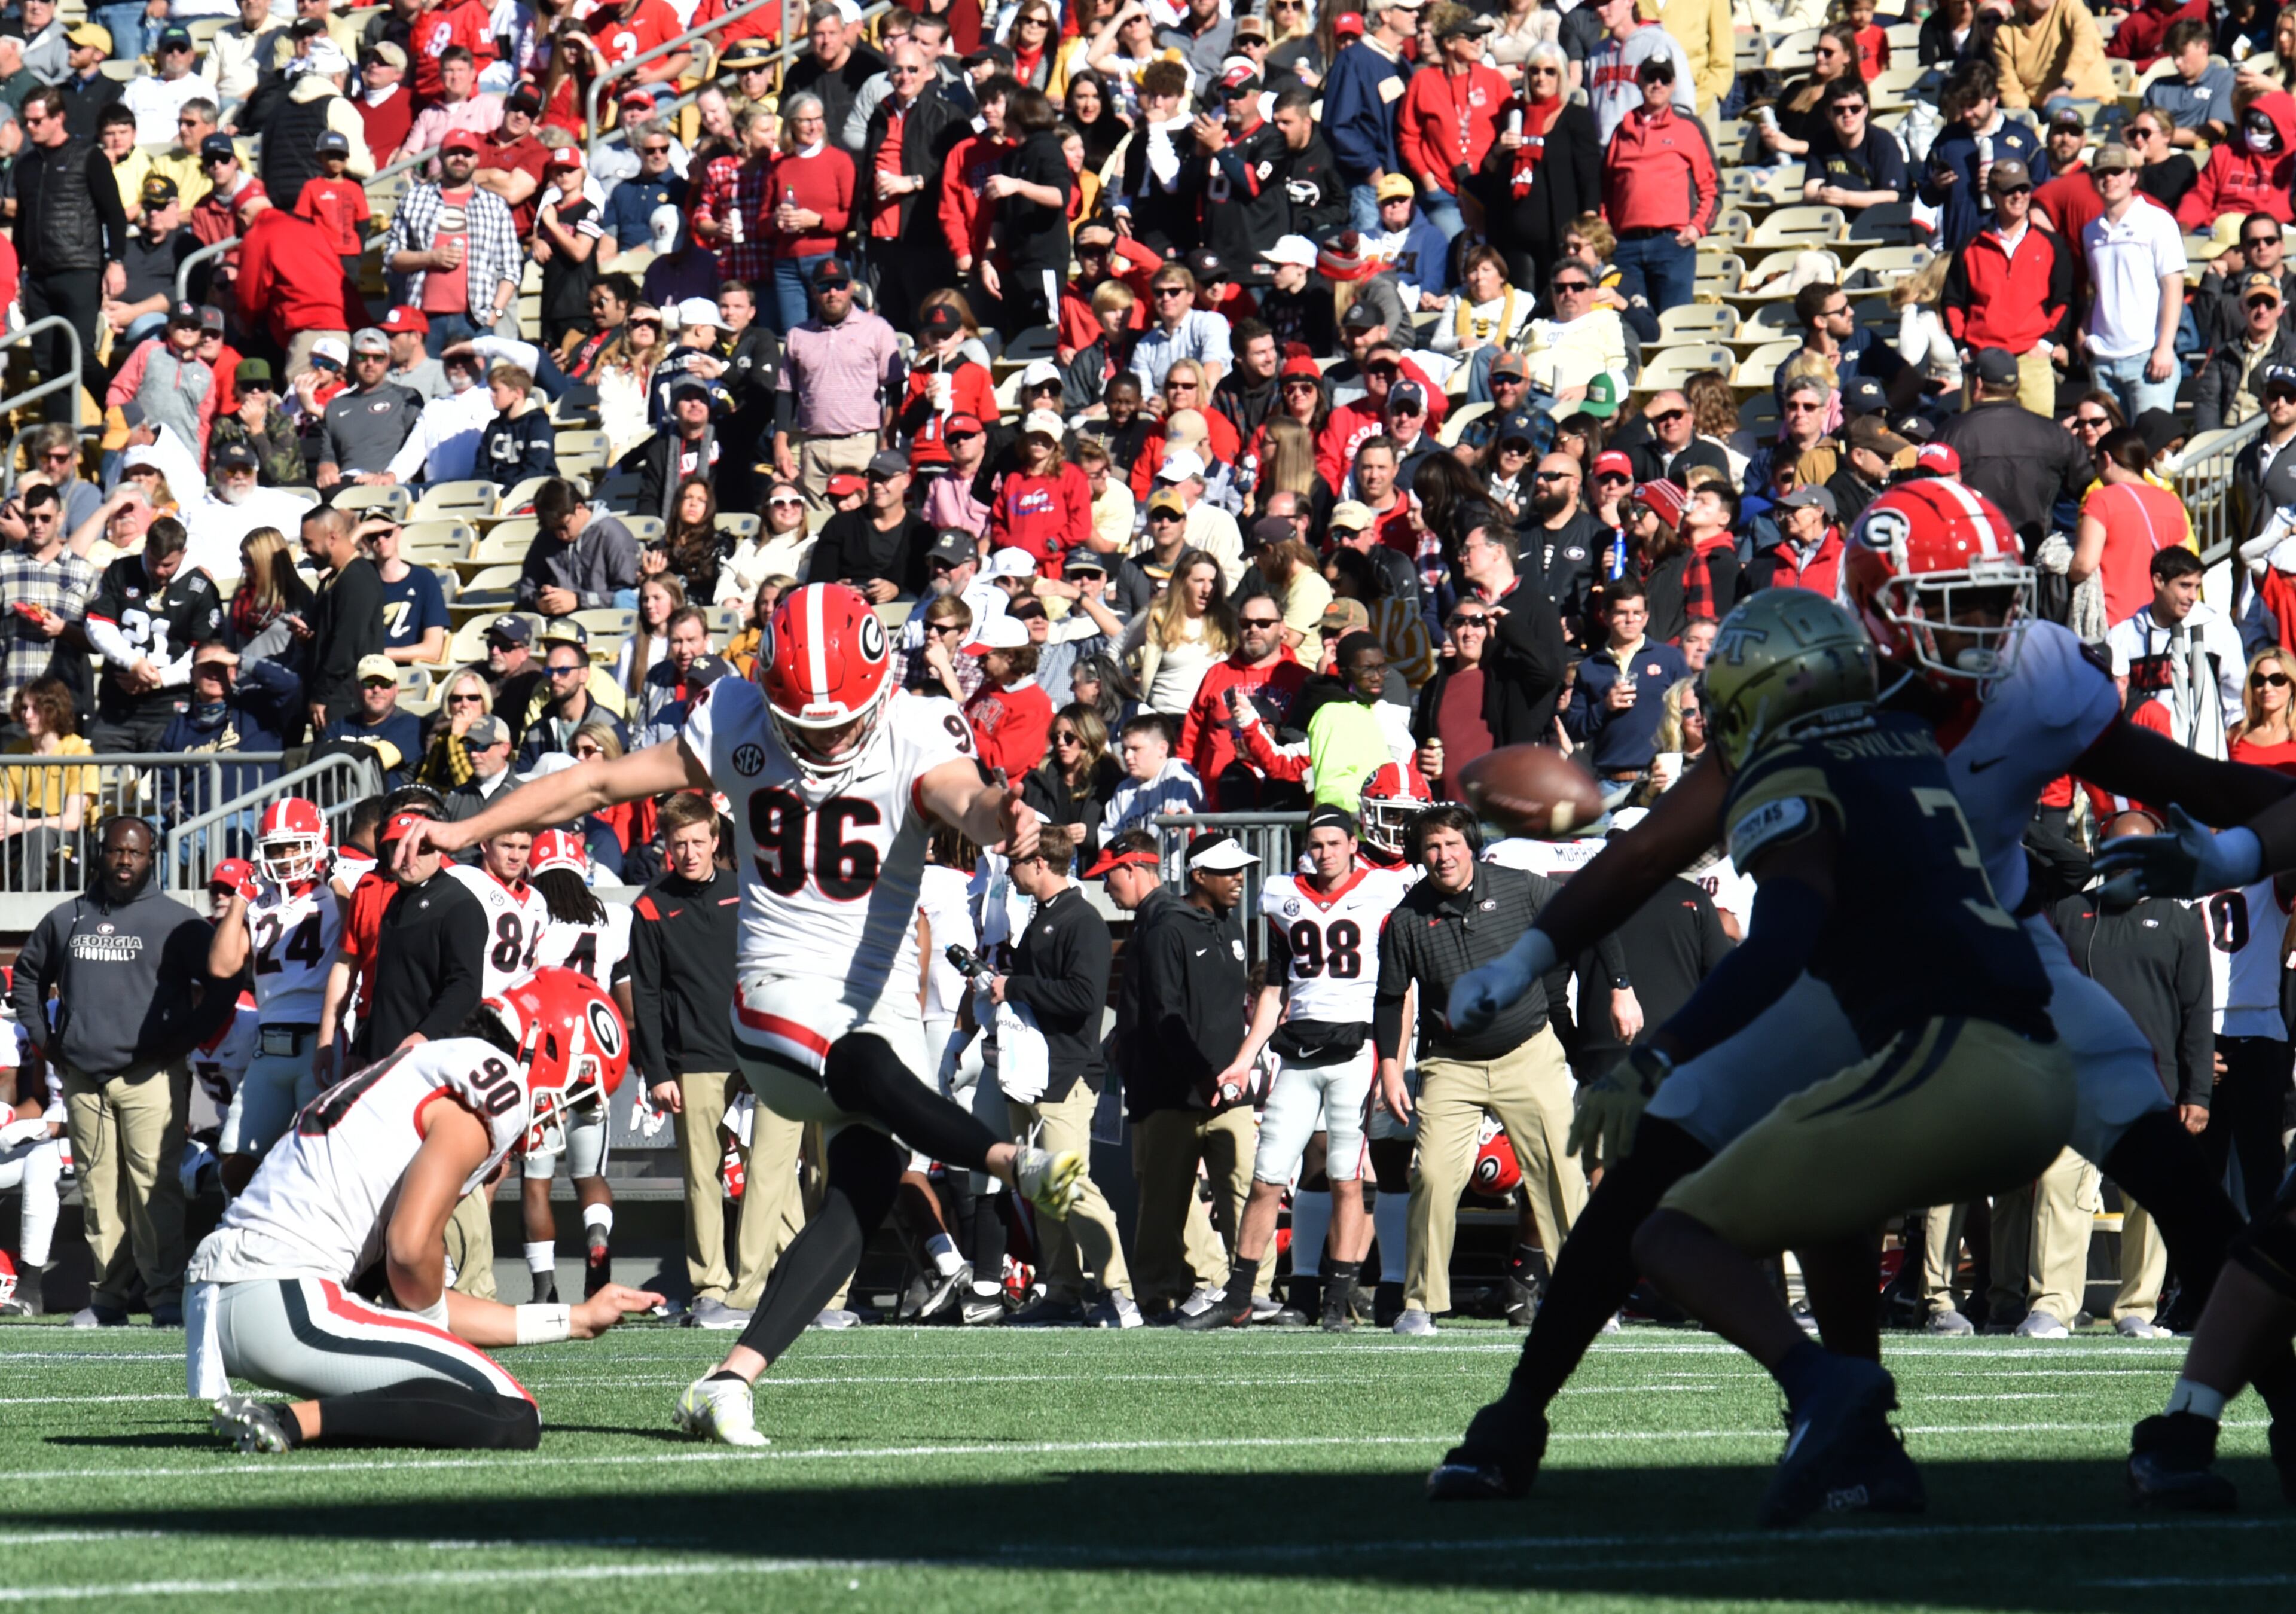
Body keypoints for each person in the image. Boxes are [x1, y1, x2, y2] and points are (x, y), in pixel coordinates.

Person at [1434, 477, 2284, 1506]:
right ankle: (1519, 1416)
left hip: (1994, 949)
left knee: (2167, 1161)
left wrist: (2253, 835)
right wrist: (1530, 958)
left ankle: (2255, 1409)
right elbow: (1658, 846)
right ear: (1883, 601)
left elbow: (2182, 772)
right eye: (1958, 598)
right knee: (1663, 1151)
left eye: (1996, 594)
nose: (1991, 622)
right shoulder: (1811, 685)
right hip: (1839, 960)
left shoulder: (2036, 675)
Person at [391, 583, 1088, 1448]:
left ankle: (730, 1377)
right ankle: (1006, 1159)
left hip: (875, 994)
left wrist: (1002, 817)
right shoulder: (737, 712)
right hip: (777, 987)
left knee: (864, 1183)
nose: (826, 738)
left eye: (841, 721)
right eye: (807, 722)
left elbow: (967, 799)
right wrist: (466, 831)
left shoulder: (917, 722)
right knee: (863, 1064)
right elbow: (598, 781)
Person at [1606, 591, 2071, 1524]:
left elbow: (1777, 948)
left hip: (1952, 1050)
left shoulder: (1793, 767)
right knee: (1828, 1213)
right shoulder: (1904, 742)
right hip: (2035, 1056)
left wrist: (1659, 1050)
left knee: (1664, 1232)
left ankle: (1820, 1381)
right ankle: (1869, 1460)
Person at [191, 968, 665, 1456]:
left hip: (237, 1290)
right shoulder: (496, 1084)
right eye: (572, 1096)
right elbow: (410, 1249)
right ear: (551, 1050)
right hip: (285, 1296)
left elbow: (421, 1288)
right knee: (512, 1411)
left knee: (465, 1380)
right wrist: (430, 1321)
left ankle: (294, 1419)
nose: (561, 1115)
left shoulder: (428, 1062)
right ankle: (289, 1421)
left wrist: (578, 1319)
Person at [1181, 805, 1412, 1332]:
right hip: (1298, 1053)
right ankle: (1240, 1294)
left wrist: (1392, 1062)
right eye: (1316, 844)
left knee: (1346, 1180)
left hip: (1358, 1052)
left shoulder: (1385, 890)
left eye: (1334, 843)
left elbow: (1402, 989)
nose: (1324, 853)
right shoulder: (1285, 896)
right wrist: (1244, 1059)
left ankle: (1336, 1298)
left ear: (1354, 844)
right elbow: (1274, 988)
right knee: (1266, 1178)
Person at [9, 814, 230, 1327]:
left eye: (136, 852)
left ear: (152, 858)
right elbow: (27, 978)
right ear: (99, 852)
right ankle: (106, 1299)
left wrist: (182, 1039)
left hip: (151, 1077)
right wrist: (46, 1040)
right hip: (84, 1081)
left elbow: (224, 983)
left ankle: (166, 1298)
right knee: (98, 1191)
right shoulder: (68, 917)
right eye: (116, 851)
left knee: (155, 1190)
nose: (125, 860)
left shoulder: (179, 921)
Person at [988, 822, 1137, 1327]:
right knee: (1040, 1186)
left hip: (1065, 1073)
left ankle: (1119, 1291)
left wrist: (1015, 986)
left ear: (1041, 863)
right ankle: (1062, 1289)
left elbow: (1082, 998)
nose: (1010, 872)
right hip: (1030, 1073)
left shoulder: (1083, 920)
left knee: (1072, 1184)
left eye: (1015, 862)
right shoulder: (1045, 917)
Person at [1110, 829, 1259, 1320]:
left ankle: (1250, 1290)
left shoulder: (1234, 929)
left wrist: (1231, 1072)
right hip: (1176, 1091)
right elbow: (1163, 1011)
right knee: (1164, 1201)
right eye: (1227, 871)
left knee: (1243, 1189)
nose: (1239, 879)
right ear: (1198, 875)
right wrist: (1198, 1075)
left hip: (1228, 1091)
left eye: (1241, 870)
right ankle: (1154, 1293)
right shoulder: (1167, 928)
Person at [203, 798, 346, 1196]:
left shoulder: (338, 892)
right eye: (276, 848)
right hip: (270, 1046)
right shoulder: (258, 898)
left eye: (294, 845)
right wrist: (240, 901)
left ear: (319, 841)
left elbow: (360, 938)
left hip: (323, 1040)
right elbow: (221, 966)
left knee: (322, 1164)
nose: (285, 857)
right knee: (234, 1163)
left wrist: (337, 882)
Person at [15, 86, 130, 425]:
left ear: (58, 117)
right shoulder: (25, 166)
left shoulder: (88, 156)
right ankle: (60, 440)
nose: (31, 127)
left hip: (79, 269)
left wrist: (117, 261)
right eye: (27, 121)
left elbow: (114, 213)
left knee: (79, 353)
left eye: (38, 120)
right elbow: (23, 221)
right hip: (37, 276)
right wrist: (18, 274)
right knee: (47, 362)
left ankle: (122, 412)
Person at [1942, 160, 2072, 416]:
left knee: (2039, 443)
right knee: (1979, 442)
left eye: (2024, 189)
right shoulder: (1971, 245)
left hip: (2031, 358)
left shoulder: (2051, 244)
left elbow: (2064, 300)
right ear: (1993, 195)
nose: (2018, 196)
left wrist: (2046, 344)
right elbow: (1953, 302)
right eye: (2009, 190)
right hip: (1982, 359)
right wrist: (1964, 351)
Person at [2083, 141, 2188, 422]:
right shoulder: (2090, 231)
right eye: (2102, 173)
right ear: (2093, 181)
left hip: (2148, 356)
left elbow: (2173, 286)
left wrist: (2165, 347)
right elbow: (2096, 288)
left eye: (2117, 172)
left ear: (2132, 176)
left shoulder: (2158, 221)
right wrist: (2084, 330)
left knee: (2150, 450)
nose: (2110, 179)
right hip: (2103, 358)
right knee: (2113, 453)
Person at [2072, 425, 2194, 630]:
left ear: (2107, 459)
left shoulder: (2101, 499)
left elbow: (2085, 564)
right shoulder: (2172, 502)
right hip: (2162, 622)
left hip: (2117, 622)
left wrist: (2064, 574)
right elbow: (2186, 563)